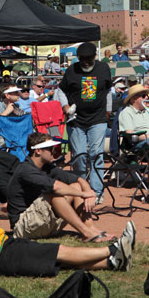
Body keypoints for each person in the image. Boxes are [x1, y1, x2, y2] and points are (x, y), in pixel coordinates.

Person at [0, 163, 135, 277]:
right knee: (56, 252)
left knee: (55, 261)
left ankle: (112, 262)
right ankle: (113, 250)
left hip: (5, 245)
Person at [8, 133, 109, 242]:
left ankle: (91, 228)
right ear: (38, 151)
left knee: (76, 186)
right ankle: (86, 232)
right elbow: (55, 187)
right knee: (54, 194)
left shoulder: (46, 167)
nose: (54, 151)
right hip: (23, 227)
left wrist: (88, 192)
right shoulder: (26, 170)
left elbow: (78, 179)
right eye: (50, 148)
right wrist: (84, 194)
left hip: (39, 222)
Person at [59, 42, 113, 204]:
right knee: (80, 156)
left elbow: (108, 91)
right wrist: (65, 106)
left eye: (88, 59)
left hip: (98, 119)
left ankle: (96, 192)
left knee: (96, 154)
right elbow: (61, 90)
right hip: (76, 120)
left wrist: (108, 111)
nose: (85, 62)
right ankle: (81, 190)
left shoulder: (103, 69)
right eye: (82, 59)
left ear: (94, 57)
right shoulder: (72, 70)